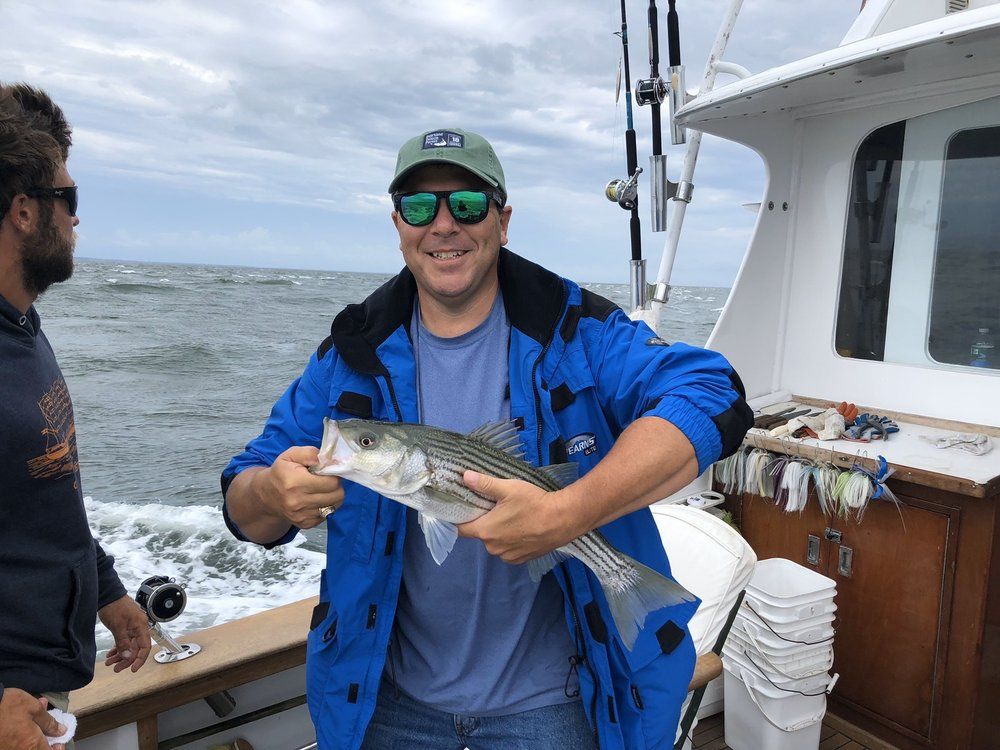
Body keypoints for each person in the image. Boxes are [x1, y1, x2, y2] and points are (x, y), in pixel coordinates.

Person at [221, 127, 753, 750]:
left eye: (467, 204)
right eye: (420, 207)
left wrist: (565, 514)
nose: (443, 224)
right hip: (386, 702)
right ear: (398, 225)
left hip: (552, 707)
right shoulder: (348, 358)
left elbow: (712, 393)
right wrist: (270, 493)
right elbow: (244, 498)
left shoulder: (579, 331)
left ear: (503, 220)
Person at [0, 84, 152, 750]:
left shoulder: (21, 325)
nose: (78, 221)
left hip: (38, 701)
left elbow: (38, 497)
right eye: (71, 200)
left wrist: (104, 588)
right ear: (26, 211)